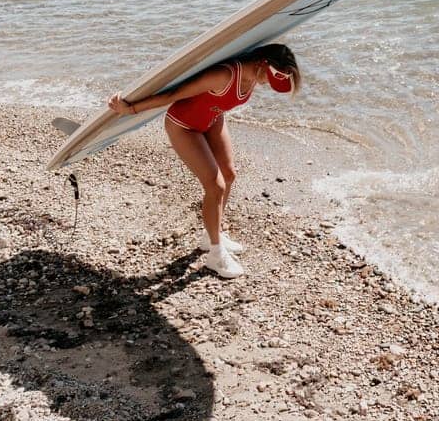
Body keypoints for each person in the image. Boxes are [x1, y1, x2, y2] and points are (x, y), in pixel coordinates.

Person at [107, 43, 299, 279]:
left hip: (213, 119)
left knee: (229, 175)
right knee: (215, 185)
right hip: (184, 126)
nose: (269, 84)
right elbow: (173, 95)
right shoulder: (224, 75)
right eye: (271, 78)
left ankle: (211, 236)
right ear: (262, 63)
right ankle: (216, 256)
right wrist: (131, 109)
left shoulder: (254, 76)